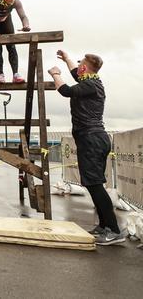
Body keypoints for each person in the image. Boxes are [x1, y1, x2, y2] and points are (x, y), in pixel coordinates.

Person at [49, 50, 124, 245]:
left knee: (95, 184)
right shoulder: (90, 81)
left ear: (85, 68)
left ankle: (114, 230)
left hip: (92, 139)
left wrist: (55, 74)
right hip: (92, 139)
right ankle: (104, 225)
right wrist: (66, 58)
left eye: (80, 63)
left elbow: (66, 91)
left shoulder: (90, 85)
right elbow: (76, 73)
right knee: (92, 183)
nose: (78, 66)